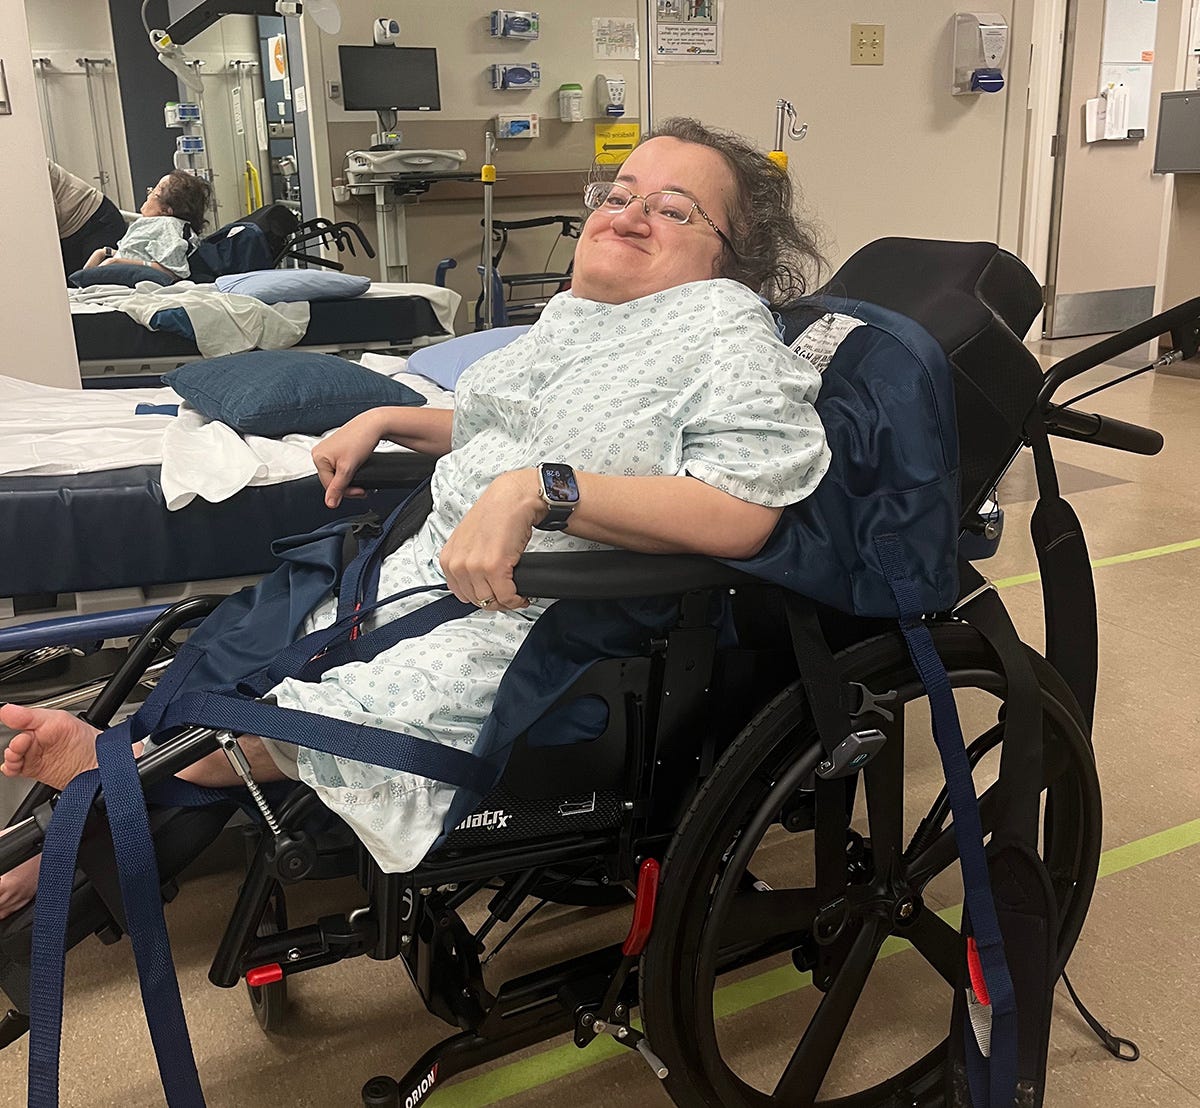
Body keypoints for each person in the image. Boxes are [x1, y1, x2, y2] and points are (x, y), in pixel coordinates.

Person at [0, 117, 830, 912]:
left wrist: (542, 489)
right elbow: (495, 420)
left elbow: (742, 511)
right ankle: (92, 829)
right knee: (249, 636)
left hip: (544, 619)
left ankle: (107, 789)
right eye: (619, 193)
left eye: (674, 207)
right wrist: (388, 418)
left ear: (730, 257)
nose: (633, 213)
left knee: (324, 708)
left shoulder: (728, 338)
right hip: (421, 574)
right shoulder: (581, 323)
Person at [78, 170, 212, 280]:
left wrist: (116, 263)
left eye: (155, 193)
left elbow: (173, 271)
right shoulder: (157, 224)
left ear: (166, 210)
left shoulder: (168, 226)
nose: (149, 195)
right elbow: (139, 254)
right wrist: (105, 253)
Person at [48, 160, 128, 278]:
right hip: (70, 230)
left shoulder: (29, 165)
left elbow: (46, 218)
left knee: (94, 281)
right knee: (70, 284)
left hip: (96, 221)